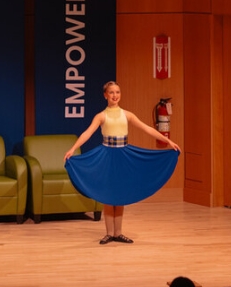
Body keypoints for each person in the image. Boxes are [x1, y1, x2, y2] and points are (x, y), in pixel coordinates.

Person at [63, 81, 180, 244]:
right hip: (107, 156)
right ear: (105, 95)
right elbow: (87, 133)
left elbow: (147, 129)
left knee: (120, 194)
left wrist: (168, 141)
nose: (115, 95)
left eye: (117, 92)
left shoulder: (128, 115)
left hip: (123, 156)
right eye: (111, 92)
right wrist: (73, 149)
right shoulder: (101, 116)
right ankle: (109, 233)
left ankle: (118, 233)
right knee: (108, 195)